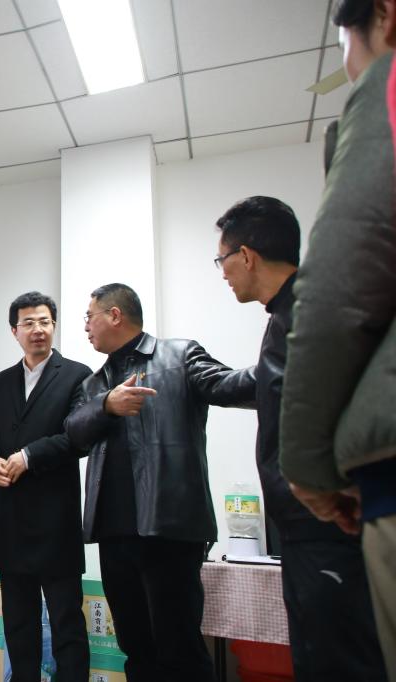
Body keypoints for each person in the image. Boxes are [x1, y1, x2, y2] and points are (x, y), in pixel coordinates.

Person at [214, 196, 386, 680]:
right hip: (306, 524)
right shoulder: (287, 317)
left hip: (327, 521)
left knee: (339, 658)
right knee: (316, 653)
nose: (223, 273)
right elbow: (265, 389)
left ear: (246, 256)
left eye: (222, 260)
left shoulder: (311, 314)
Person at [280, 0, 396, 676]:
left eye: (348, 46)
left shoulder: (387, 87)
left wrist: (310, 471)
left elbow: (337, 295)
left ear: (383, 15)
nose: (351, 67)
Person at [65, 283, 253, 682]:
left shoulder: (179, 356)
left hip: (170, 526)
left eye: (89, 317)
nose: (85, 327)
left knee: (180, 647)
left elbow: (228, 385)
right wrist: (106, 405)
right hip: (114, 533)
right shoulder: (94, 384)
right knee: (136, 648)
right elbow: (74, 434)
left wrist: (282, 368)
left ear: (115, 315)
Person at [0, 292, 92, 682]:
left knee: (66, 622)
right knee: (18, 622)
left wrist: (28, 456)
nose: (37, 329)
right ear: (15, 331)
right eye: (28, 323)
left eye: (44, 321)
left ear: (53, 326)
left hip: (56, 518)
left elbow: (78, 437)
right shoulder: (1, 381)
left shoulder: (78, 375)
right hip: (10, 516)